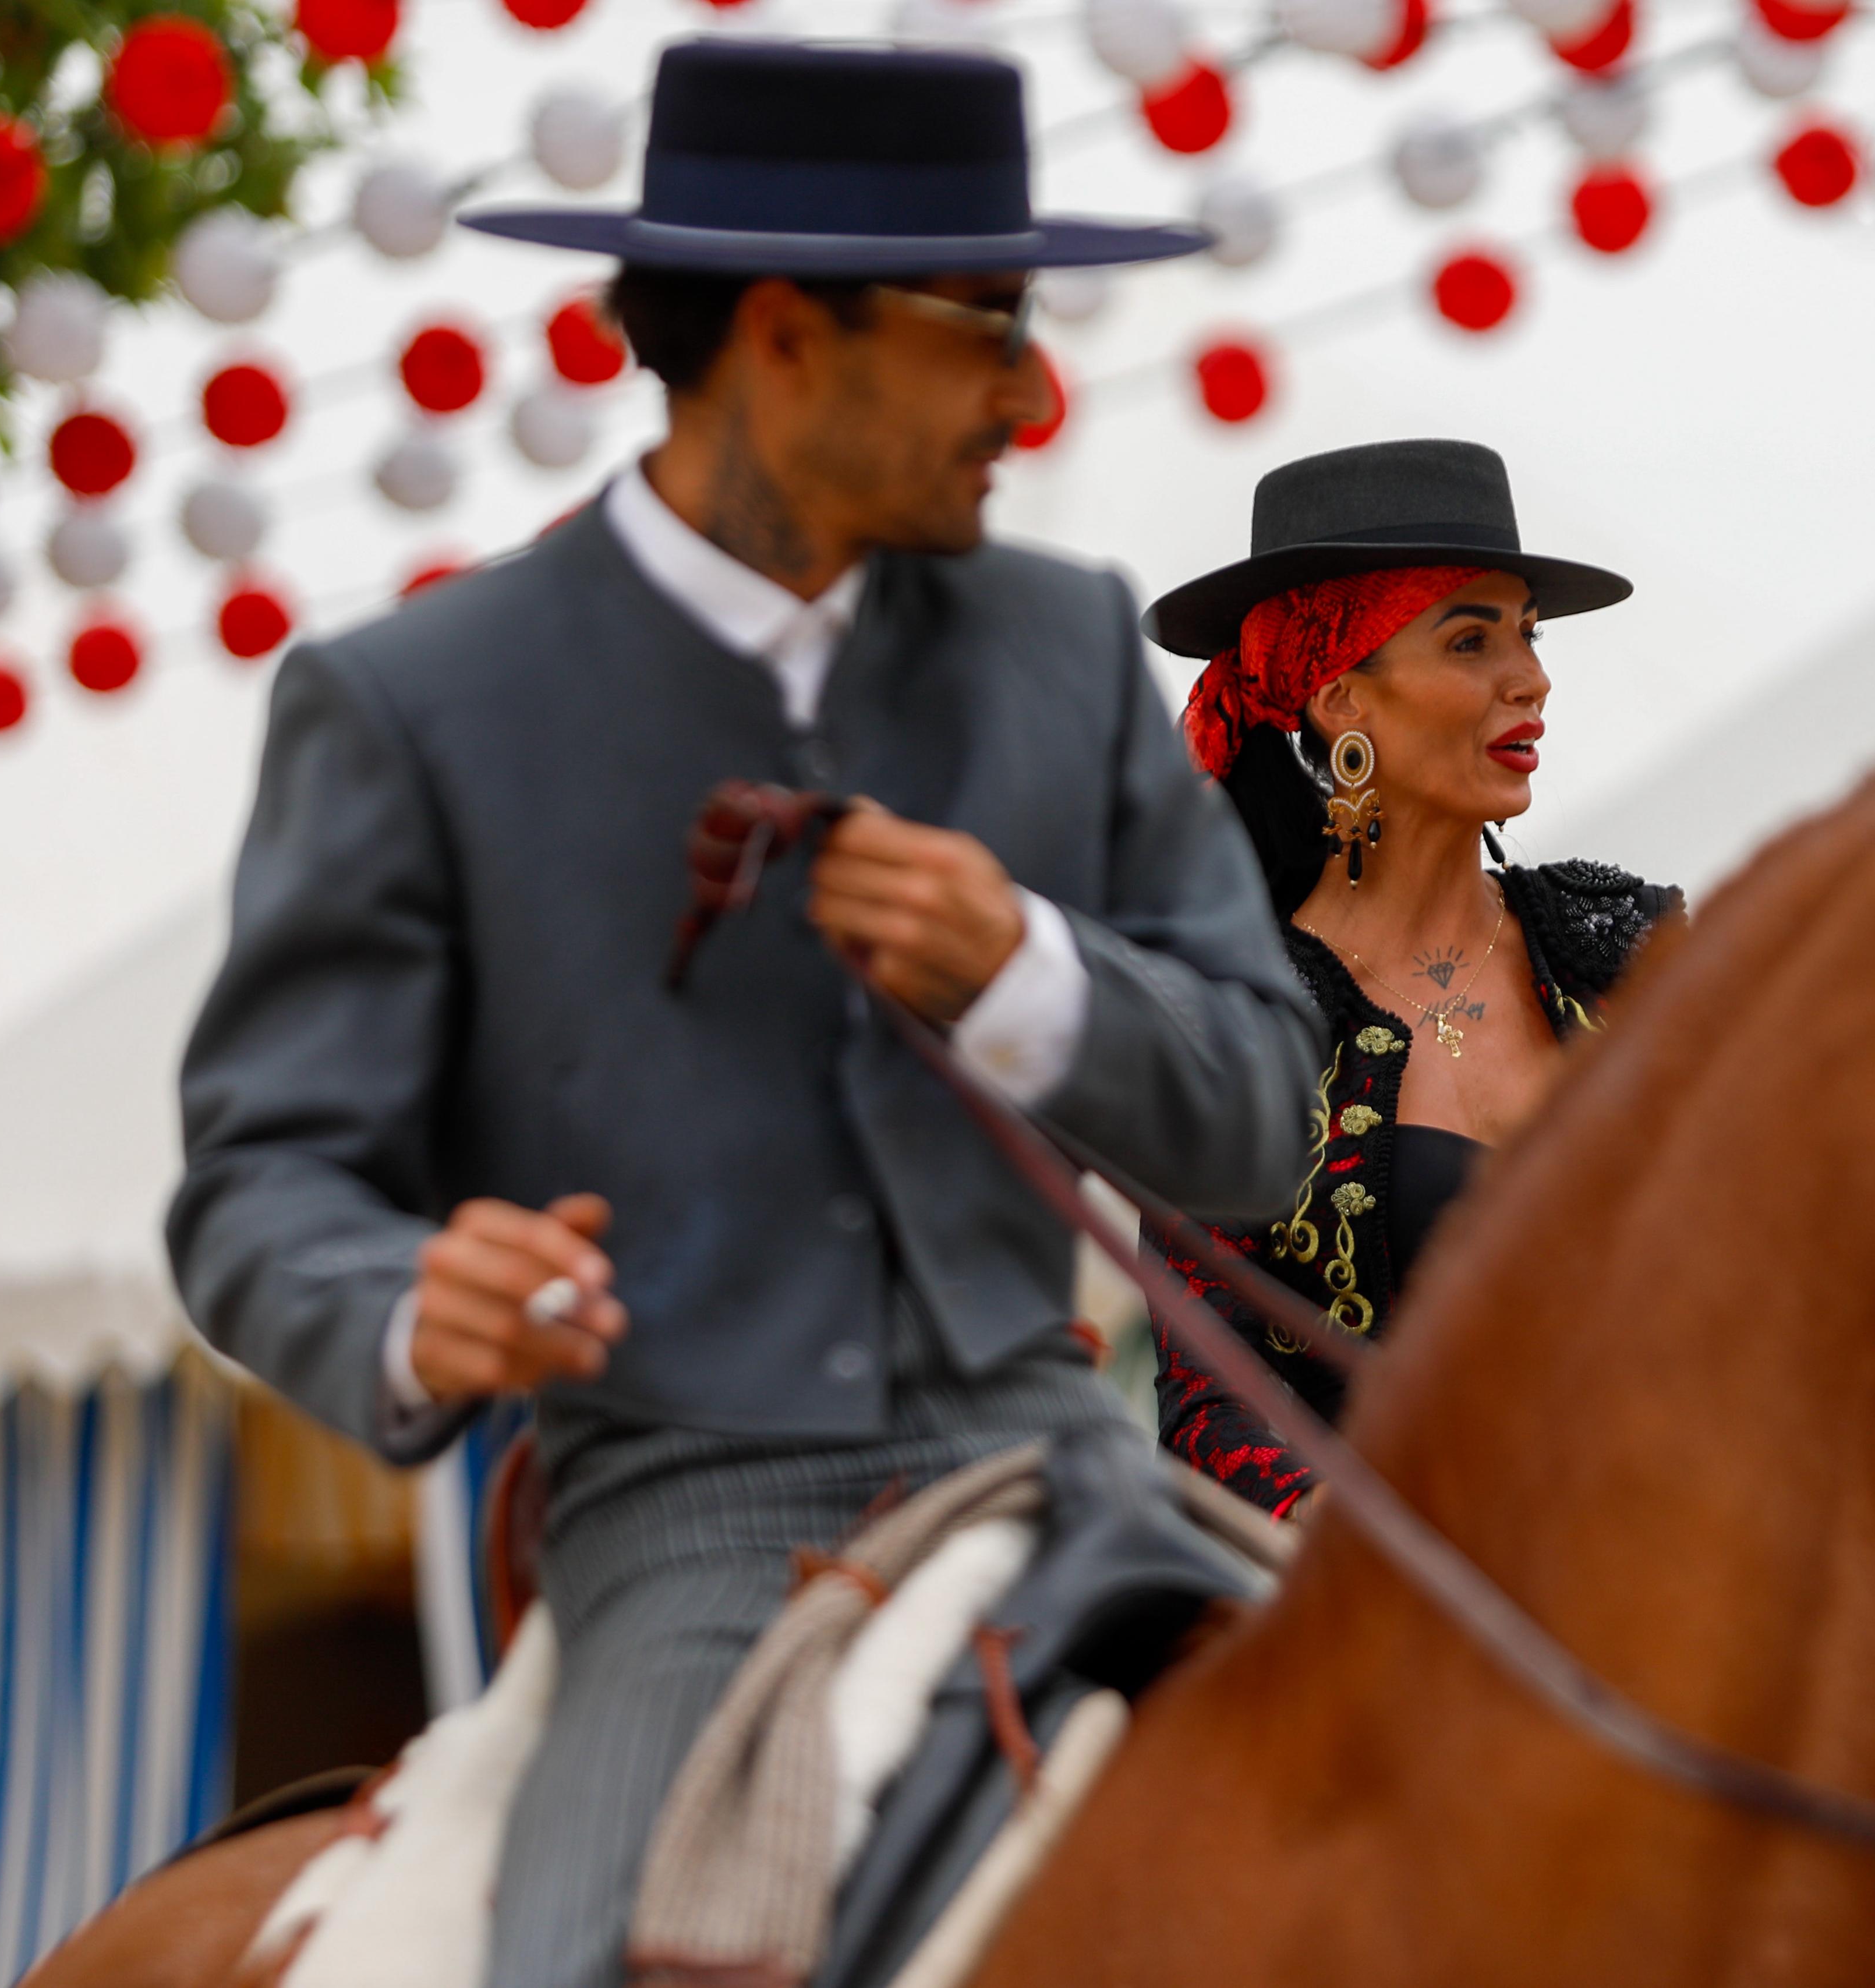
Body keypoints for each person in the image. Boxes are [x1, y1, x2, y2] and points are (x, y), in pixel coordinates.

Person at [164, 41, 1319, 1988]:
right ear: (785, 339)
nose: (1031, 395)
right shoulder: (414, 707)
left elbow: (1267, 1112)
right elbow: (264, 1183)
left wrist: (1030, 973)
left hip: (1072, 1464)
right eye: (989, 328)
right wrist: (406, 1298)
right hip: (692, 1519)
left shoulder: (1067, 652)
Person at [1141, 439, 1685, 1516]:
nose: (1530, 677)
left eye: (1525, 632)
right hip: (1401, 1628)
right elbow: (1214, 1407)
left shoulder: (1628, 942)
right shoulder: (1228, 1027)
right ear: (1343, 699)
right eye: (1471, 638)